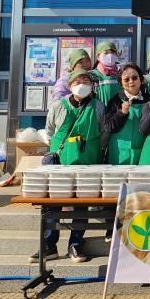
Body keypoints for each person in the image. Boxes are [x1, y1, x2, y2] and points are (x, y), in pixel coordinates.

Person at [30, 68, 106, 264]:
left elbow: (104, 132)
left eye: (86, 82)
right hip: (60, 162)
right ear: (70, 85)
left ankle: (75, 244)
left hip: (88, 161)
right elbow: (50, 130)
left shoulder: (98, 106)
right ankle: (49, 245)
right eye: (78, 82)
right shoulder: (58, 106)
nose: (82, 85)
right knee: (52, 203)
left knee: (82, 204)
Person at [104, 63, 150, 166]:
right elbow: (108, 127)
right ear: (121, 83)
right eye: (126, 79)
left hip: (144, 151)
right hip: (119, 153)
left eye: (134, 78)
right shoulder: (115, 101)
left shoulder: (149, 100)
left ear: (141, 80)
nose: (131, 81)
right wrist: (122, 113)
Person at [89, 41, 120, 106]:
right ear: (98, 56)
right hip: (98, 111)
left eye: (113, 52)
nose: (110, 56)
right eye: (106, 53)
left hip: (120, 111)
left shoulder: (122, 74)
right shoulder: (91, 75)